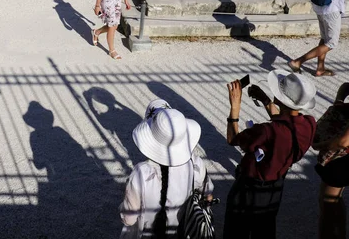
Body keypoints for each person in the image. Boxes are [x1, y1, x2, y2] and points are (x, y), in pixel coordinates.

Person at [224, 70, 317, 239]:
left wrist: (235, 106)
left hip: (249, 188)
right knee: (265, 229)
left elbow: (233, 139)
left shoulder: (266, 131)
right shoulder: (309, 124)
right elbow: (286, 125)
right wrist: (266, 102)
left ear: (280, 98)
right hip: (275, 187)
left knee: (236, 230)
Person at [119, 99, 214, 238]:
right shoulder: (196, 164)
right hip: (185, 231)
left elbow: (129, 219)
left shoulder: (140, 175)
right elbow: (208, 194)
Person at [313, 82, 349, 239]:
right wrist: (338, 101)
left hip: (342, 160)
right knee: (334, 199)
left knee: (327, 204)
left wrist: (320, 145)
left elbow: (343, 142)